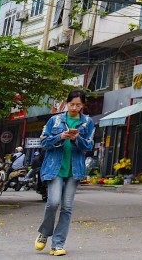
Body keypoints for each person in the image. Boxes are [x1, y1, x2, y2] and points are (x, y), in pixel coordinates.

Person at [35, 89, 96, 256]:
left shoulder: (87, 123)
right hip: (55, 168)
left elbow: (89, 146)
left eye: (78, 105)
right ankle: (44, 233)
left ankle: (57, 244)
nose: (74, 107)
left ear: (83, 105)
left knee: (67, 207)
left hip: (74, 170)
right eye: (72, 104)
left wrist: (77, 139)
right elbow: (44, 142)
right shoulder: (55, 120)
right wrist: (59, 137)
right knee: (53, 202)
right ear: (66, 103)